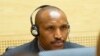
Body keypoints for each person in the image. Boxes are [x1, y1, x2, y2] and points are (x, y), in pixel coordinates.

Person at [3, 5, 84, 56]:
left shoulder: (82, 53)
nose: (58, 35)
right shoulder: (12, 55)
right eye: (50, 28)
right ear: (36, 31)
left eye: (63, 27)